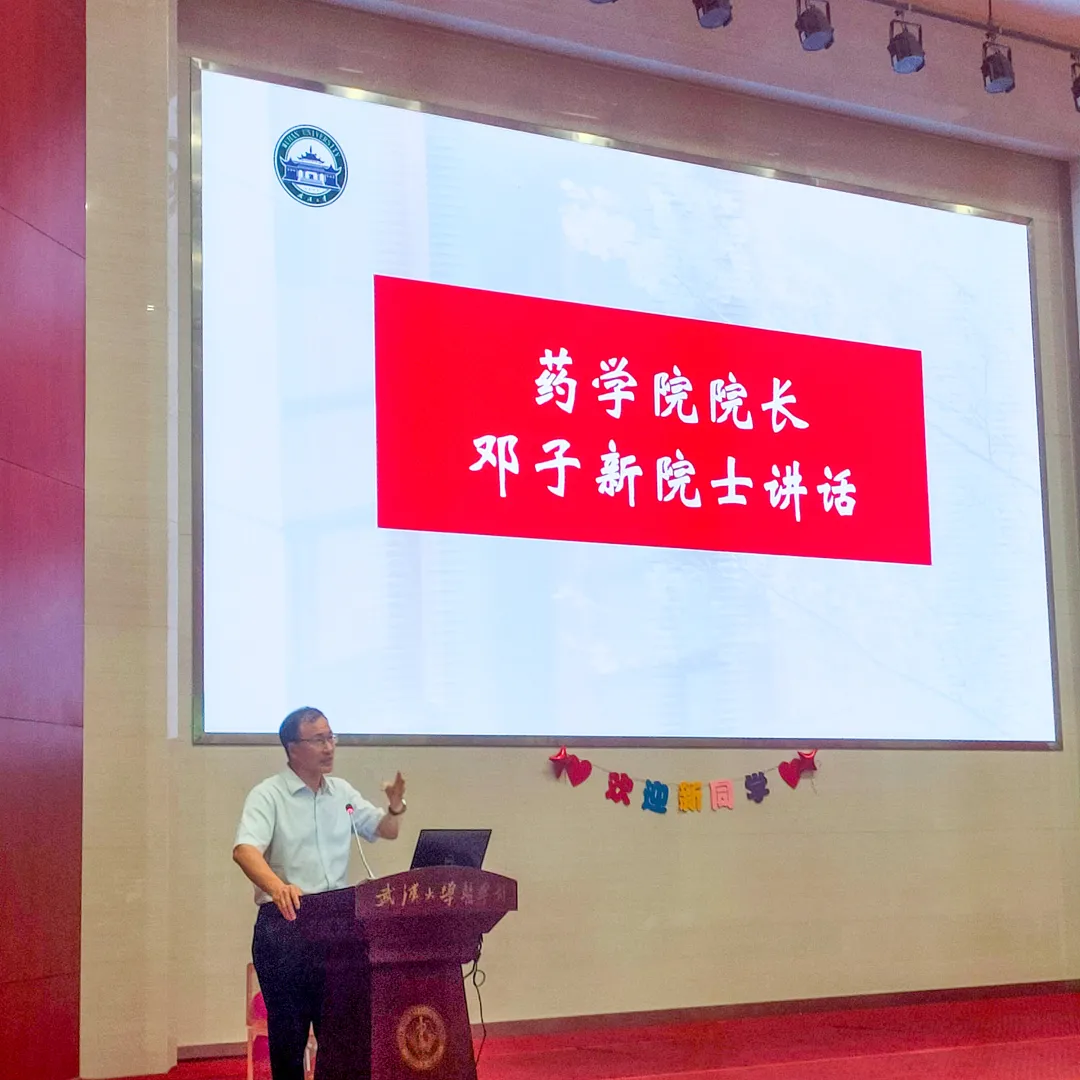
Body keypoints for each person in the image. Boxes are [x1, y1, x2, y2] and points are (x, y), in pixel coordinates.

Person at [233, 707, 406, 1080]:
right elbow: (244, 850)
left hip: (340, 924)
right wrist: (277, 887)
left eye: (331, 737)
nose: (329, 747)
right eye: (318, 740)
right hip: (287, 923)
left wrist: (395, 806)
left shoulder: (341, 792)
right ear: (293, 748)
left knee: (345, 1035)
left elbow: (386, 830)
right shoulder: (269, 795)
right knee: (289, 1036)